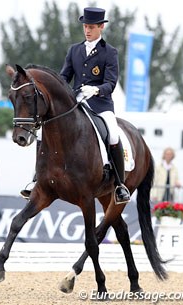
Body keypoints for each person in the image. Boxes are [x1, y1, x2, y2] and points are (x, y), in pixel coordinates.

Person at [59, 7, 130, 204]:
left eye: (91, 27)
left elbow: (111, 83)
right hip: (76, 102)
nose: (87, 30)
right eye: (85, 27)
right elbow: (64, 76)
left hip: (100, 103)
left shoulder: (110, 53)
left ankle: (119, 184)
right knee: (46, 130)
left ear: (101, 27)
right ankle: (36, 178)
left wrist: (96, 90)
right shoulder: (74, 50)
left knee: (113, 134)